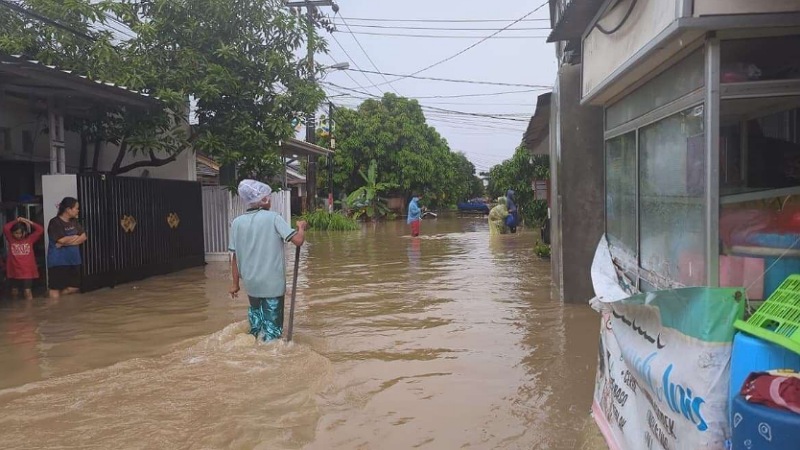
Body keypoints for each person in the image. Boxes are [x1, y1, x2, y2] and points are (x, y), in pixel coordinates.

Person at [228, 180, 307, 341]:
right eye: (269, 197)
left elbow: (234, 257)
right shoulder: (273, 218)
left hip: (251, 284)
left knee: (256, 324)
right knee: (272, 331)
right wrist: (301, 227)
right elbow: (298, 241)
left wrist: (235, 284)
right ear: (263, 200)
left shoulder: (236, 223)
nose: (270, 200)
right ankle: (270, 355)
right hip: (272, 285)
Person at [47, 197, 87, 298]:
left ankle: (61, 304)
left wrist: (66, 242)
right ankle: (54, 309)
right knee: (55, 289)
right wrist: (74, 238)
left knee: (74, 287)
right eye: (76, 208)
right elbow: (61, 240)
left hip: (74, 260)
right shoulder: (54, 222)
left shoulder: (74, 221)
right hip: (58, 261)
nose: (78, 210)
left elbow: (83, 237)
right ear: (68, 209)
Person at [3, 217, 44, 300]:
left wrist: (28, 221)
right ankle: (16, 308)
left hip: (27, 271)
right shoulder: (11, 239)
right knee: (14, 291)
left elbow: (40, 229)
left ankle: (29, 310)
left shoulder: (30, 239)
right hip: (14, 270)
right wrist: (17, 220)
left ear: (24, 232)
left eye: (19, 233)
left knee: (27, 292)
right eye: (15, 233)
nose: (17, 235)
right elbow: (5, 228)